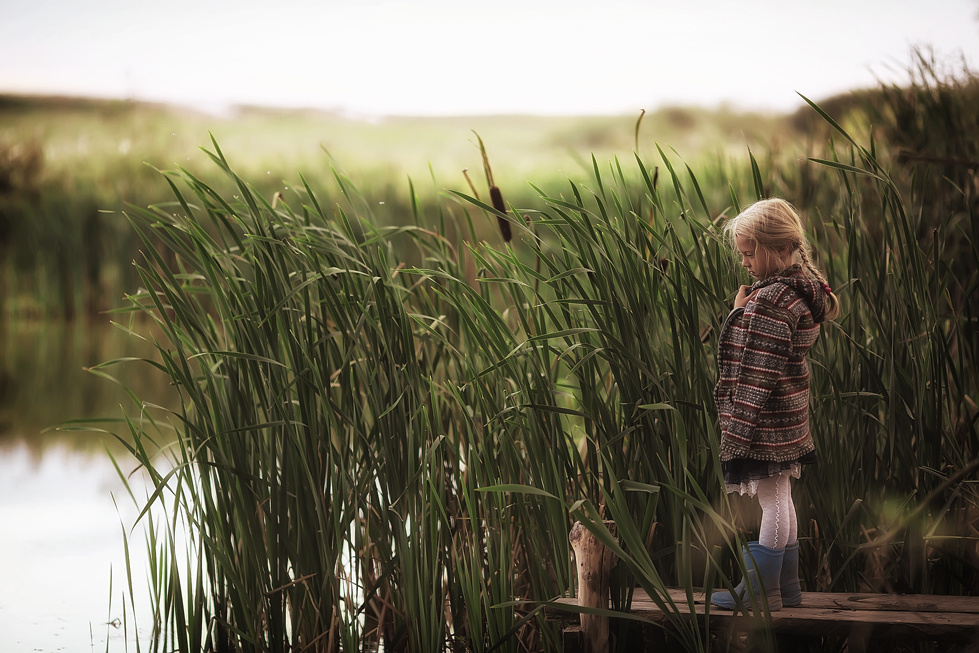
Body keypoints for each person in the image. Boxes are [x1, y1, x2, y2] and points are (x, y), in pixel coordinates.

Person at [710, 198, 839, 611]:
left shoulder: (771, 299)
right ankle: (786, 588)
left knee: (772, 496)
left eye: (750, 253)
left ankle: (763, 592)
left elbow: (757, 366)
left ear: (779, 249)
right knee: (781, 493)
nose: (744, 262)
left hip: (765, 414)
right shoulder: (803, 289)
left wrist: (737, 313)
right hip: (787, 411)